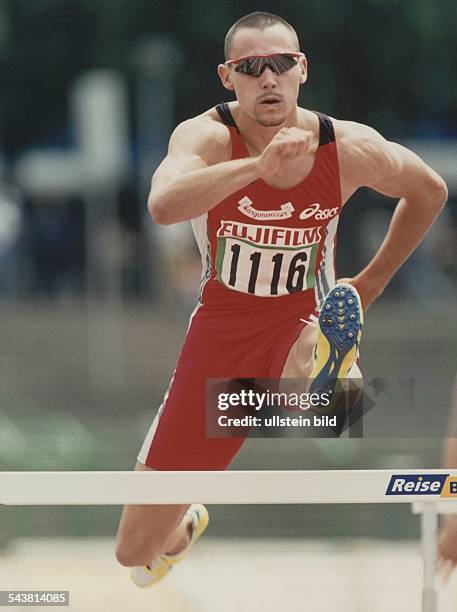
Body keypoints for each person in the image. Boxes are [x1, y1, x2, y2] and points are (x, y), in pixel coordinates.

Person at [115, 11, 448, 586]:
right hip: (218, 334)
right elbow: (164, 206)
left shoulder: (345, 146)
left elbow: (428, 191)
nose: (268, 78)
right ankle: (187, 521)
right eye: (251, 68)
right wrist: (257, 167)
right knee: (134, 555)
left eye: (281, 64)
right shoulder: (207, 138)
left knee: (328, 392)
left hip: (299, 319)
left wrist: (368, 284)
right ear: (228, 77)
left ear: (303, 70)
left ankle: (332, 370)